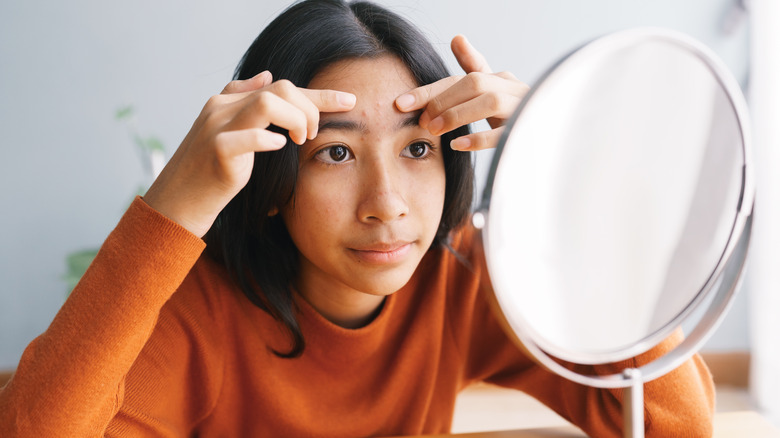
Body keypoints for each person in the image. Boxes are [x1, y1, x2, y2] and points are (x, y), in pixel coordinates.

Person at [0, 0, 714, 436]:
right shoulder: (201, 312)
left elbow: (678, 425)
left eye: (417, 149)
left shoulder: (464, 271)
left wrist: (565, 169)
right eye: (337, 153)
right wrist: (172, 207)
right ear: (273, 178)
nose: (389, 203)